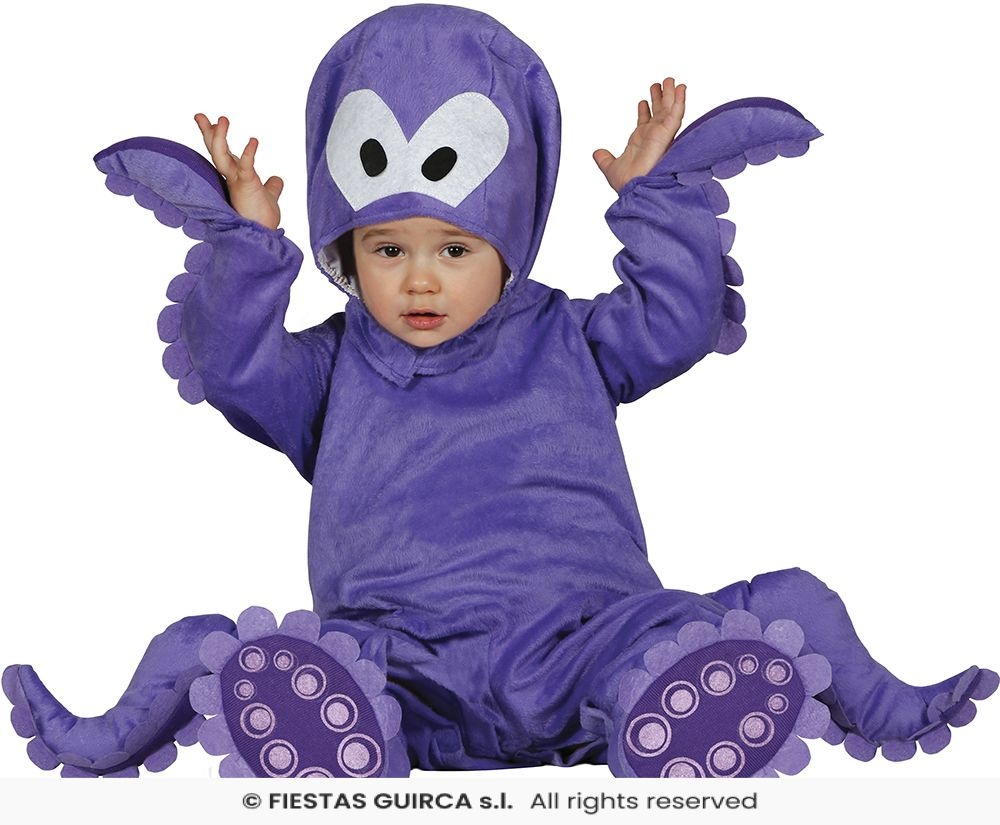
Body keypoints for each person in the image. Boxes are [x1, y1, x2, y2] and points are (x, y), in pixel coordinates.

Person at [5, 4, 995, 780]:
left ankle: (677, 712)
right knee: (212, 648)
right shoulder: (329, 368)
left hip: (586, 643)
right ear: (344, 247)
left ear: (510, 237)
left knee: (791, 600)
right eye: (386, 249)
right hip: (398, 666)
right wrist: (247, 246)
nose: (419, 279)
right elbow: (231, 366)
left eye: (454, 248)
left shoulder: (570, 335)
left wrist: (654, 200)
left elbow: (680, 318)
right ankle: (332, 729)